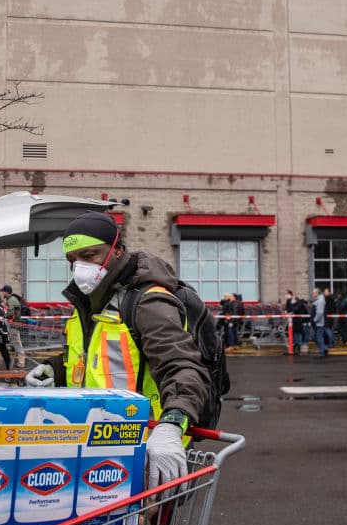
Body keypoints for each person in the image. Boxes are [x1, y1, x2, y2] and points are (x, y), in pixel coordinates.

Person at [24, 211, 210, 492]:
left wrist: (172, 424)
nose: (79, 268)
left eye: (90, 255)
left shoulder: (147, 303)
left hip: (149, 449)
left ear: (117, 250)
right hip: (103, 443)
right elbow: (95, 361)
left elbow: (182, 366)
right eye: (72, 260)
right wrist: (55, 369)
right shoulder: (90, 303)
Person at [0, 283, 27, 367]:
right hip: (12, 325)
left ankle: (21, 363)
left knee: (16, 344)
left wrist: (3, 316)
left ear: (7, 292)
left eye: (3, 291)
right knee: (5, 344)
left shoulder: (11, 300)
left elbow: (11, 313)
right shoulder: (11, 299)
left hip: (12, 325)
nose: (2, 293)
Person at [285, 290, 309, 354]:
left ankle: (298, 346)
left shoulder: (298, 303)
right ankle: (295, 345)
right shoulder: (291, 302)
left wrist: (289, 302)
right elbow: (288, 309)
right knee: (295, 334)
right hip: (294, 321)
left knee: (298, 334)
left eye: (288, 295)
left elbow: (293, 309)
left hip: (298, 321)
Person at [310, 287, 328, 358]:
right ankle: (324, 349)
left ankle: (321, 352)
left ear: (317, 293)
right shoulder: (318, 299)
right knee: (315, 336)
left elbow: (320, 312)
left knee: (318, 337)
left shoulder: (320, 300)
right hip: (317, 322)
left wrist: (314, 320)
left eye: (313, 292)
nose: (312, 294)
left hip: (318, 323)